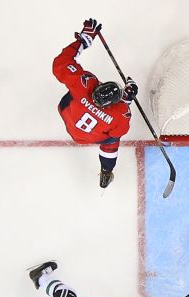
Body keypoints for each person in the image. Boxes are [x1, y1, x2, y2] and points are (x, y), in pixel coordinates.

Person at [52, 19, 138, 189]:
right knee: (113, 138)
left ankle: (106, 169)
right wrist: (127, 100)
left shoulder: (82, 85)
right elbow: (121, 128)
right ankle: (106, 170)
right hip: (91, 137)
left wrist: (83, 40)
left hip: (68, 116)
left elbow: (60, 64)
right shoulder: (119, 113)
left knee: (75, 96)